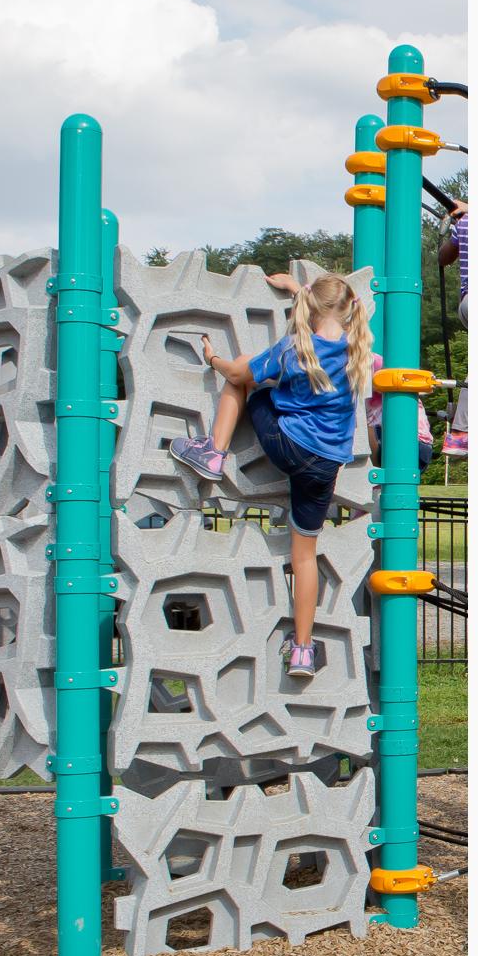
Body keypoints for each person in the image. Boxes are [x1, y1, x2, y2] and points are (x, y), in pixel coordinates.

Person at [168, 273, 371, 678]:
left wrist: (212, 358)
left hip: (287, 446)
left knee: (246, 378)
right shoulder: (357, 348)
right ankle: (302, 651)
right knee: (305, 556)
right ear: (348, 309)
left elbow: (238, 376)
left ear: (314, 306)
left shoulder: (294, 348)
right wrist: (301, 292)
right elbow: (331, 316)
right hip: (326, 464)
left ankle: (213, 451)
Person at [438, 201, 469, 456]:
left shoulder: (468, 221)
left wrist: (458, 225)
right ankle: (461, 432)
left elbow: (443, 257)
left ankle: (462, 430)